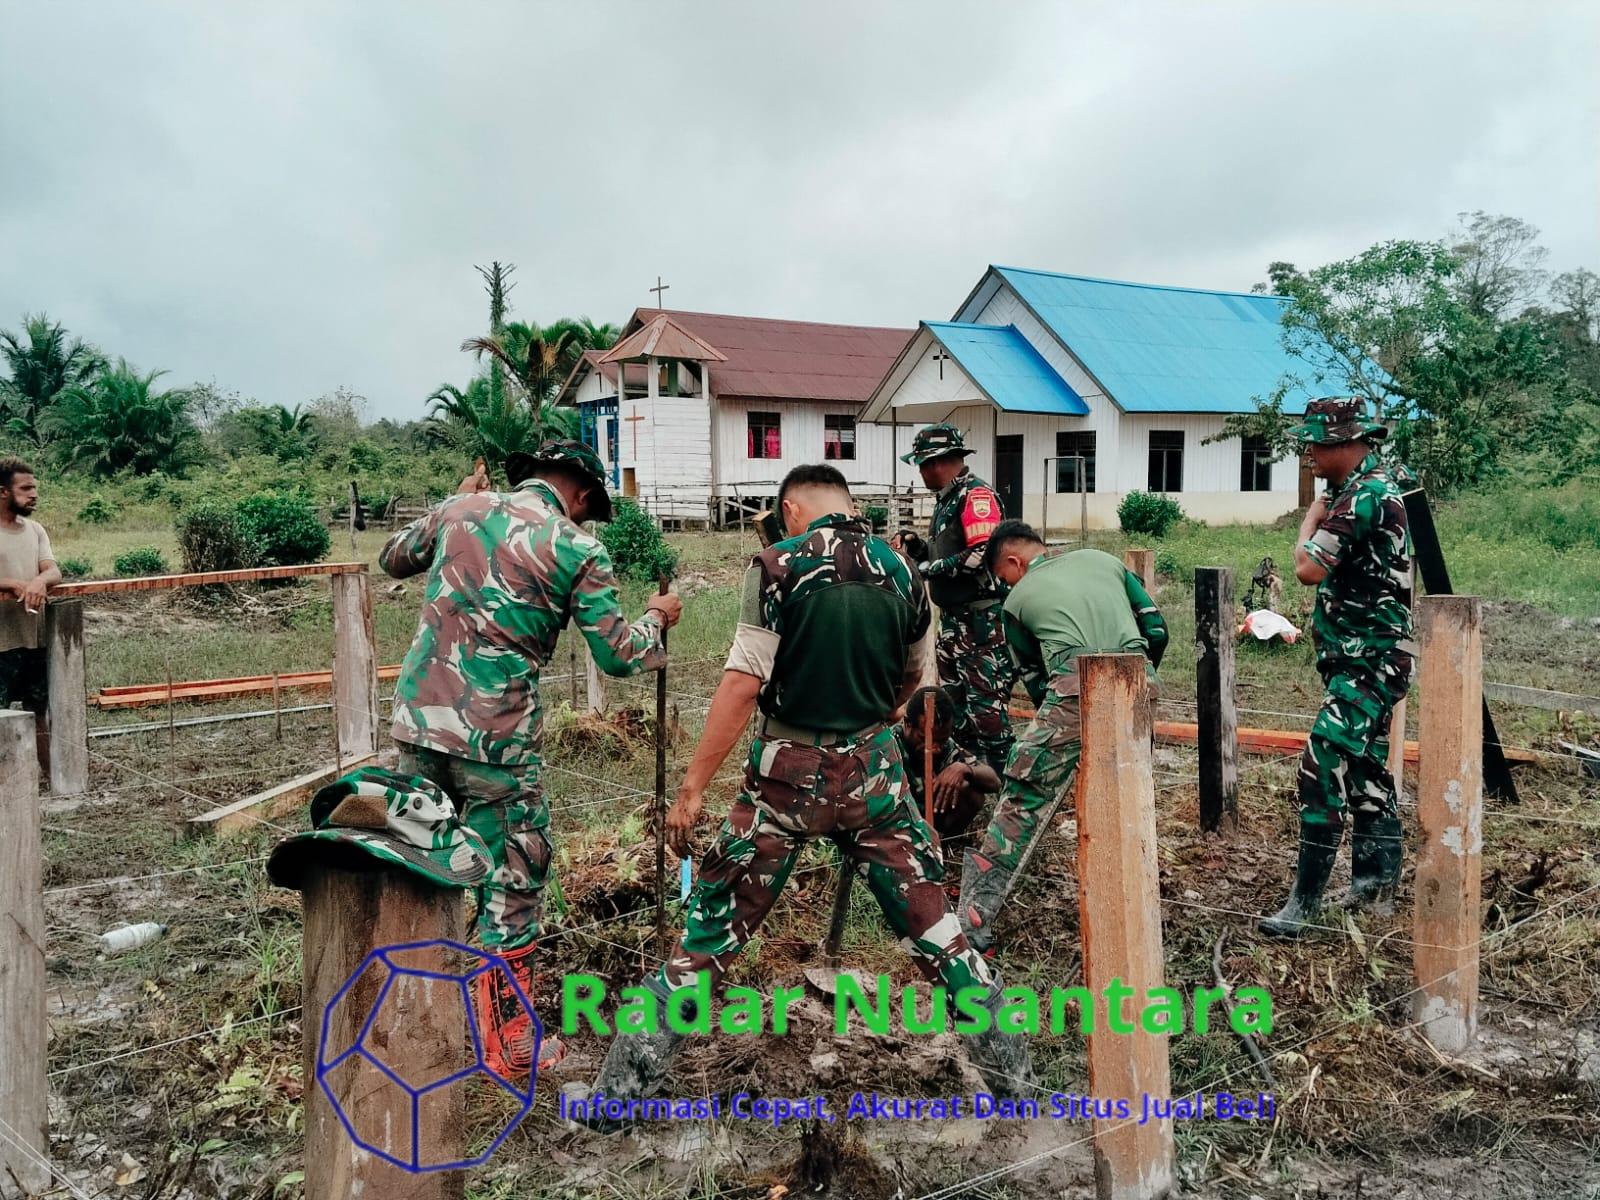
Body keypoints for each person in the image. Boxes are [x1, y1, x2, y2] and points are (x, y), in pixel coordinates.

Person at [580, 463, 1032, 1121]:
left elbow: (743, 684)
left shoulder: (777, 566)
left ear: (792, 508)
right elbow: (914, 681)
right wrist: (865, 716)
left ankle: (614, 1103)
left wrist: (692, 787)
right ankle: (1019, 1092)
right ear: (846, 503)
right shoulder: (905, 573)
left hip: (784, 780)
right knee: (940, 931)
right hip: (875, 776)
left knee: (707, 938)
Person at [379, 440, 683, 1075]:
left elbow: (392, 557)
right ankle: (508, 1042)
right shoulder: (576, 547)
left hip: (417, 722)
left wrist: (456, 497)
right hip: (496, 741)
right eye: (589, 508)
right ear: (581, 494)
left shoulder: (460, 509)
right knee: (512, 879)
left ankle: (405, 1017)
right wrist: (657, 617)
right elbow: (619, 655)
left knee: (421, 861)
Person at [959, 521, 1168, 957]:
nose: (1005, 585)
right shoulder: (1104, 560)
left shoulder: (1016, 602)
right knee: (1123, 787)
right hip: (1139, 677)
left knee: (1024, 789)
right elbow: (1156, 628)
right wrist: (1141, 674)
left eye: (1003, 576)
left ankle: (975, 918)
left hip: (1074, 685)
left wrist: (1057, 727)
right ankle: (1128, 902)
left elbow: (1035, 679)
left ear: (1014, 561)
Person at [1259, 398, 1414, 937]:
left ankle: (1303, 906)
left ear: (1346, 442)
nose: (1308, 453)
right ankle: (1374, 889)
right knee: (1366, 769)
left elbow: (1307, 567)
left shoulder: (1364, 495)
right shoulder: (1362, 489)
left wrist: (1309, 517)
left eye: (1316, 444)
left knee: (1322, 764)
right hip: (1366, 658)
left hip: (1371, 662)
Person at [896, 424, 1016, 775]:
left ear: (937, 462)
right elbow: (950, 552)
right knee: (957, 716)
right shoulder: (948, 499)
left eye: (922, 464)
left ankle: (1007, 789)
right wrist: (919, 547)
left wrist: (928, 568)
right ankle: (968, 782)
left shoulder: (975, 496)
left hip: (980, 624)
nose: (920, 473)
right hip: (953, 623)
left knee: (987, 714)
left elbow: (983, 552)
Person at [0, 457, 61, 771]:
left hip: (33, 640)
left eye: (34, 488)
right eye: (25, 489)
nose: (34, 494)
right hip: (1, 643)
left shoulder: (35, 530)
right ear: (3, 492)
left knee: (40, 712)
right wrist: (12, 584)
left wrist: (39, 581)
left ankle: (49, 779)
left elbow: (53, 570)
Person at [896, 685, 1001, 855]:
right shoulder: (889, 745)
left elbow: (994, 782)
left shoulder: (947, 748)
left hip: (931, 820)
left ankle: (942, 848)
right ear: (908, 724)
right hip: (894, 826)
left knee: (971, 791)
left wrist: (964, 769)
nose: (935, 748)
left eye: (942, 741)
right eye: (925, 739)